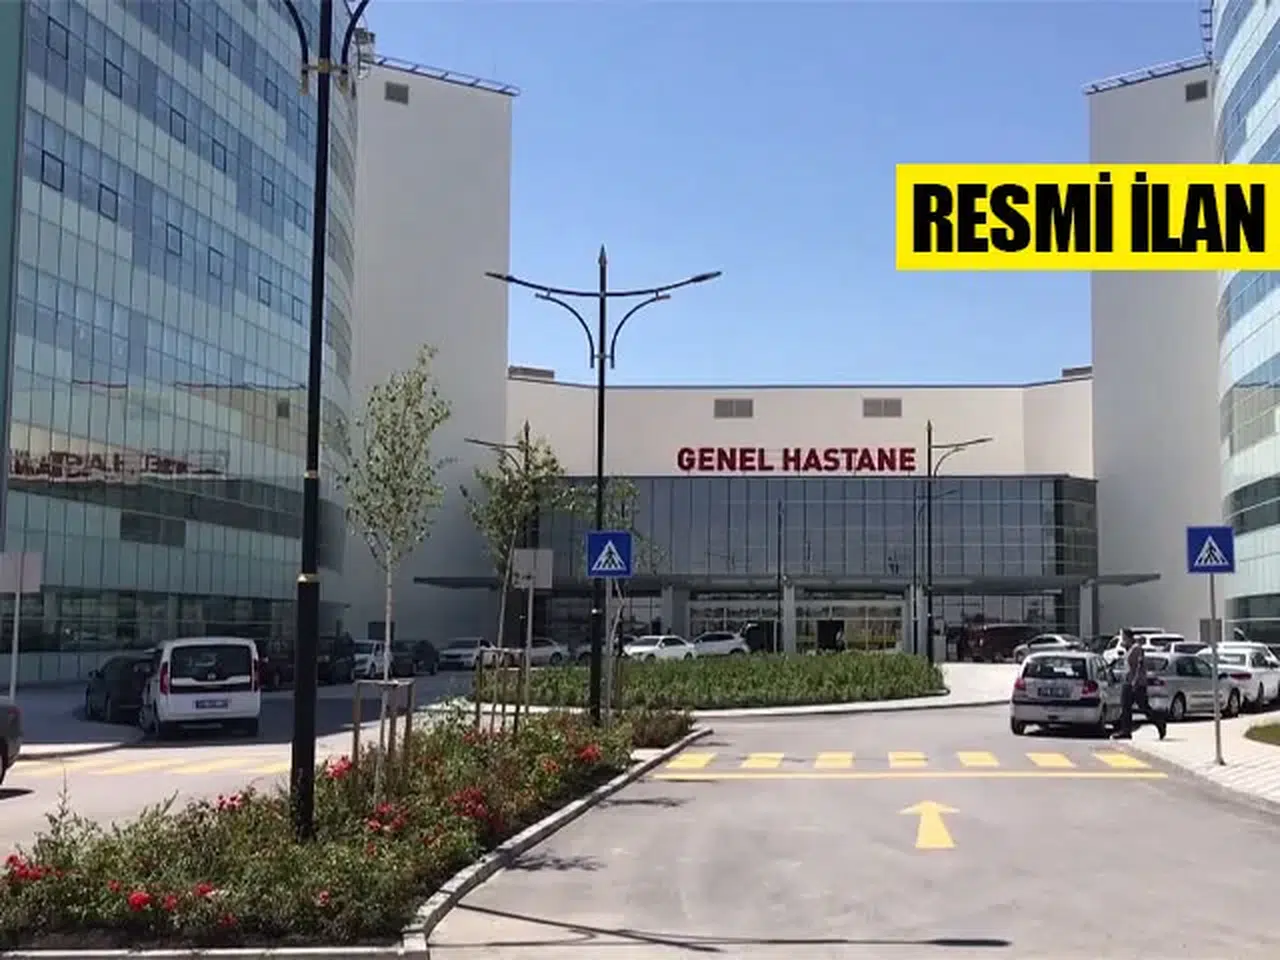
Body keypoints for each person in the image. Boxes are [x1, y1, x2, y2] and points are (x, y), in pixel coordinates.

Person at [1113, 630, 1167, 740]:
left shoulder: (1137, 648)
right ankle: (1126, 731)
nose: (1122, 640)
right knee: (1126, 707)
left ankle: (1159, 722)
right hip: (1128, 682)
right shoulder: (1129, 649)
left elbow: (1139, 665)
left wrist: (1135, 681)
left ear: (1128, 637)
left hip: (1136, 683)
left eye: (1123, 637)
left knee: (1143, 707)